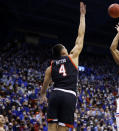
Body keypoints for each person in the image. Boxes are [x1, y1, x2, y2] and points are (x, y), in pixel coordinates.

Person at [40, 2, 86, 131]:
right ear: (63, 51)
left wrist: (43, 95)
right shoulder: (73, 56)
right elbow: (80, 35)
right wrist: (82, 15)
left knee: (51, 127)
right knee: (63, 128)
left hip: (55, 94)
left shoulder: (50, 67)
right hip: (69, 95)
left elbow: (45, 84)